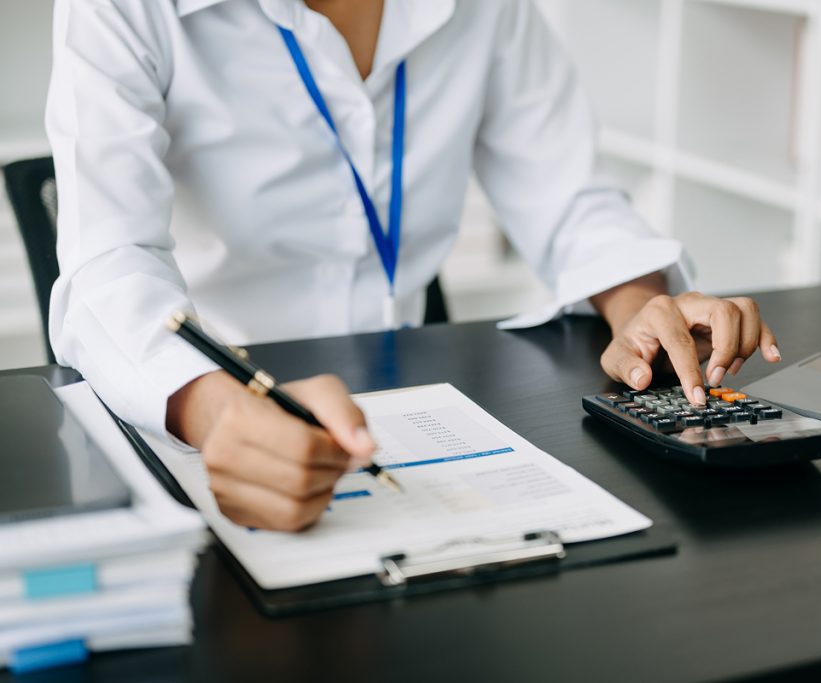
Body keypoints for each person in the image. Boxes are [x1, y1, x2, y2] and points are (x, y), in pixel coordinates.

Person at [47, 0, 781, 531]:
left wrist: (641, 309)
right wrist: (216, 408)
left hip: (413, 408)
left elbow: (568, 193)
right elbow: (109, 261)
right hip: (207, 391)